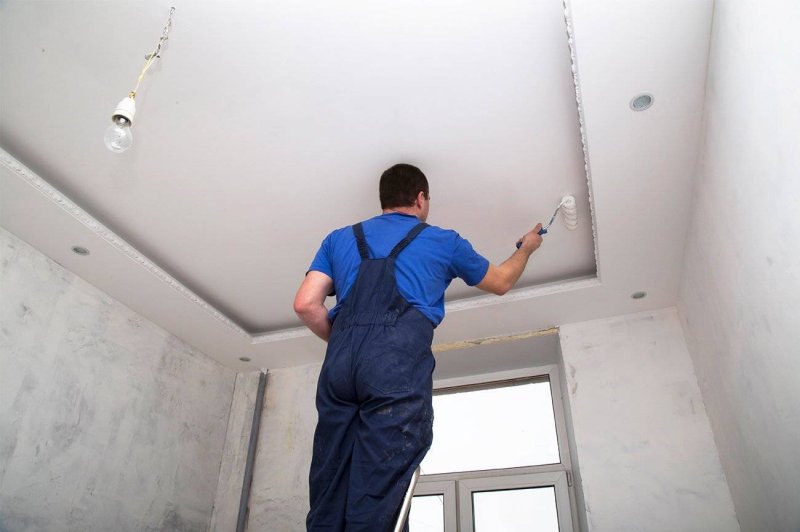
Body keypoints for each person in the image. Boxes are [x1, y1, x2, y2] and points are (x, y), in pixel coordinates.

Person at [294, 163, 543, 531]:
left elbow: (306, 304)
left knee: (331, 478)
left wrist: (346, 342)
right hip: (394, 366)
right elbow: (502, 281)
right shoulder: (443, 240)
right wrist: (527, 248)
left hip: (339, 367)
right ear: (421, 198)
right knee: (380, 486)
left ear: (384, 200)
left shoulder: (338, 239)